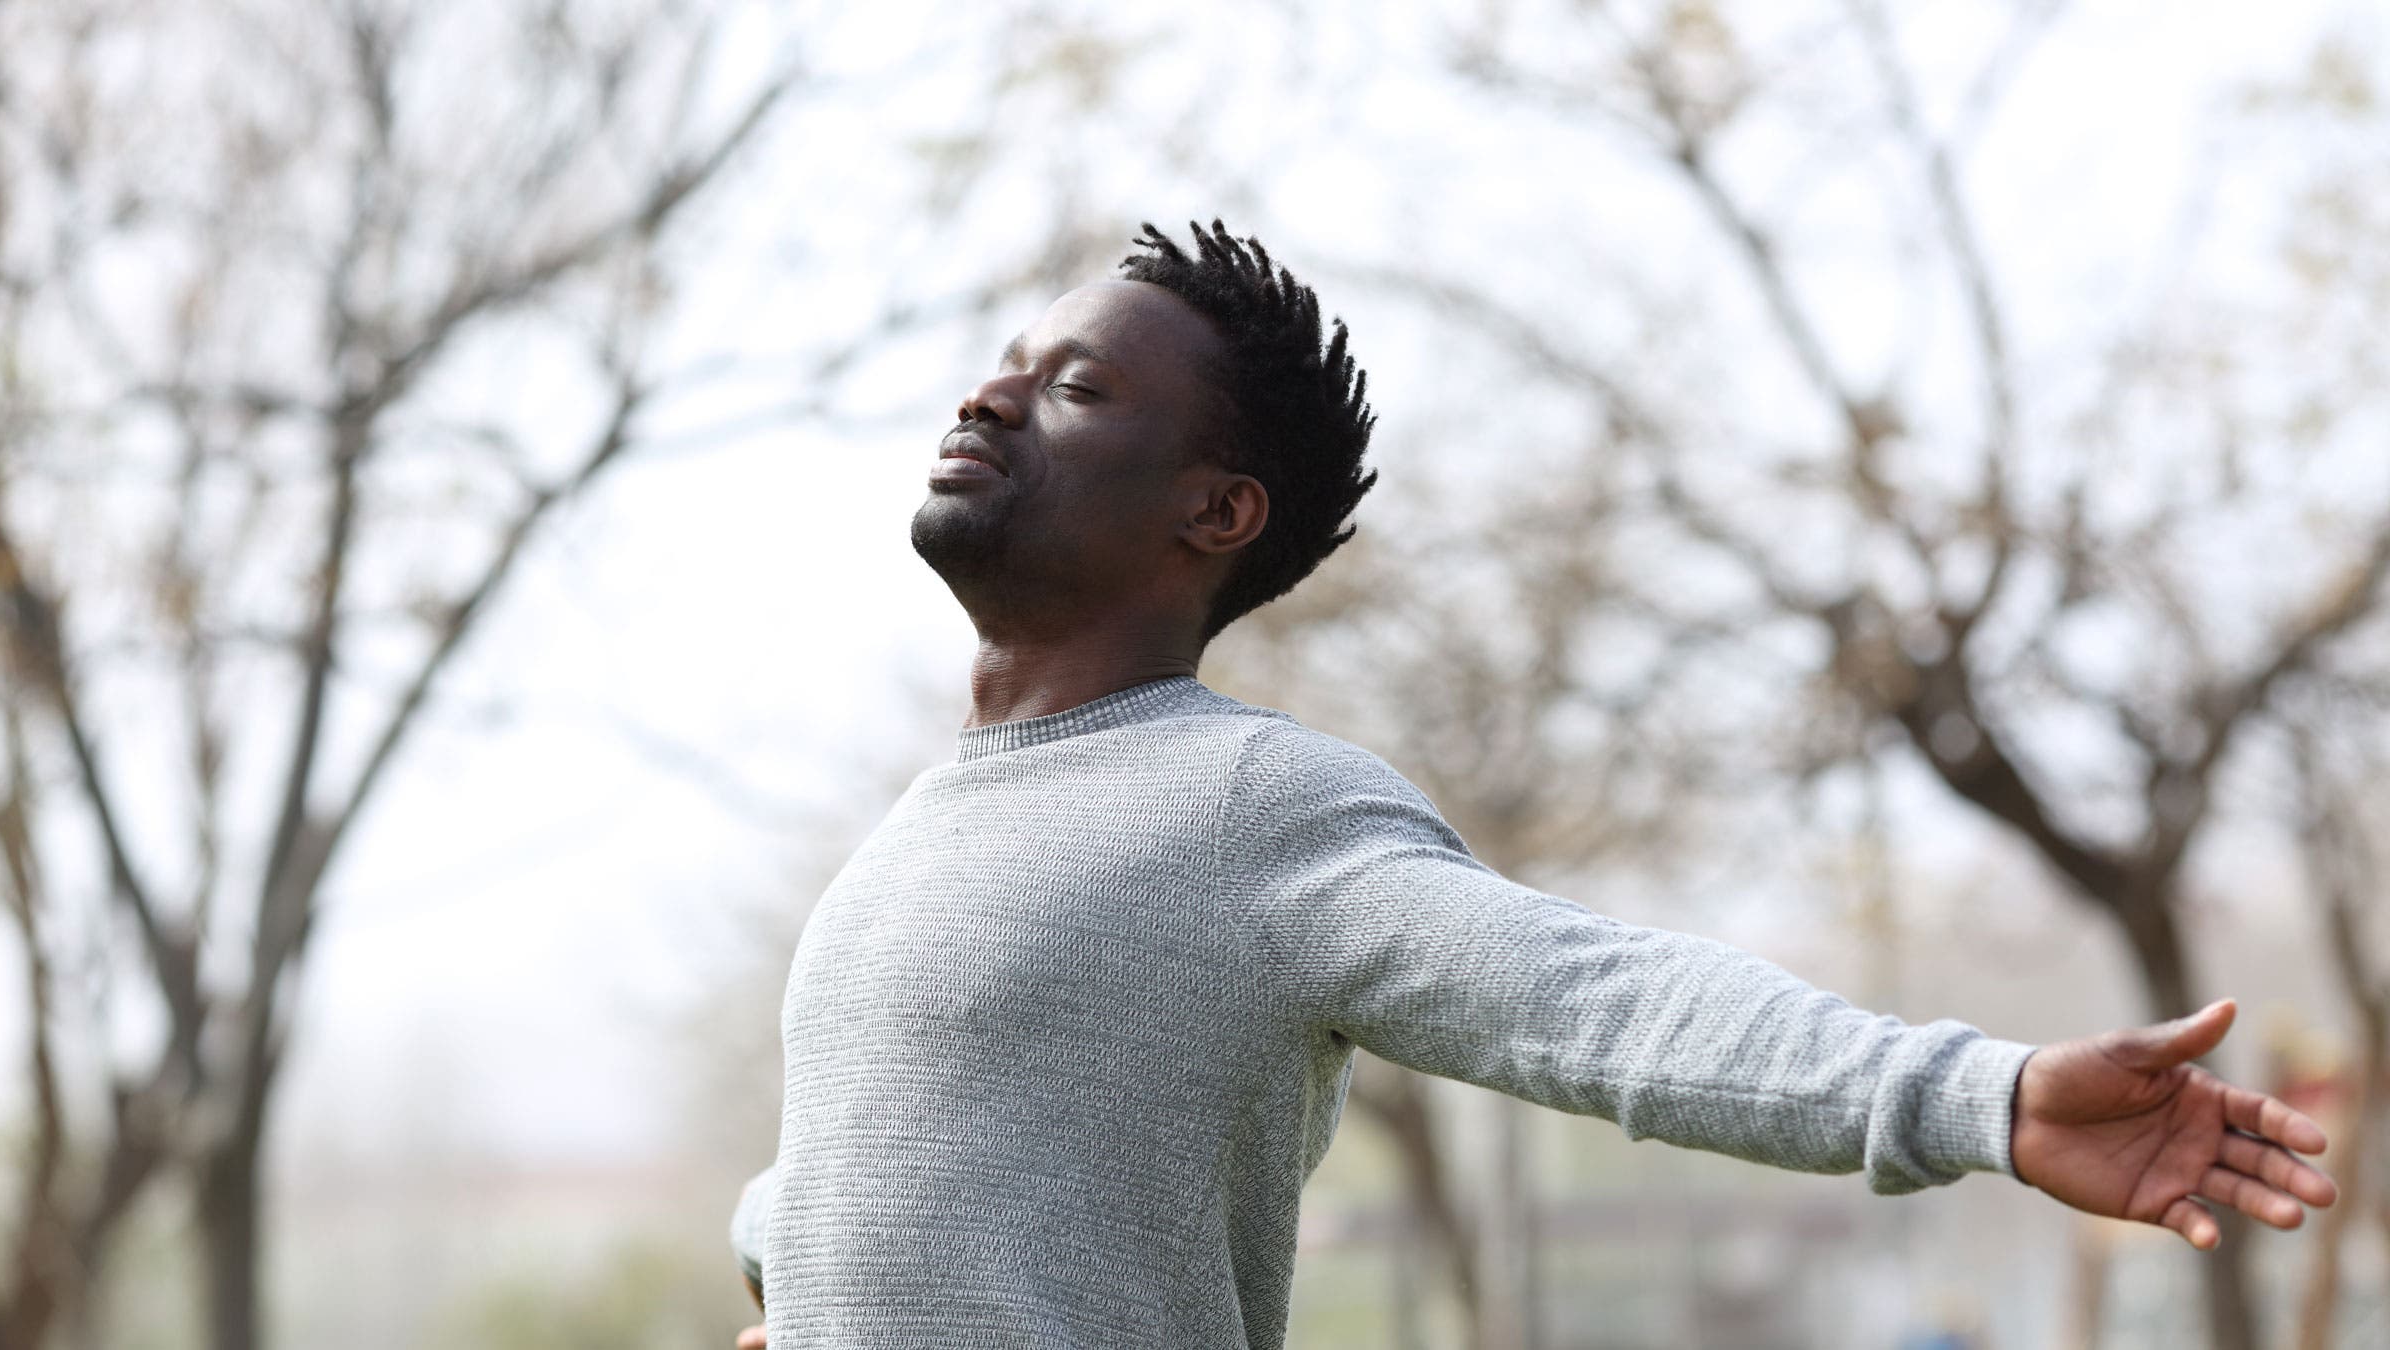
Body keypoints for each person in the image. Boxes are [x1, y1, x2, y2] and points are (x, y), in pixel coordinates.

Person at [728, 221, 2336, 1349]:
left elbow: (1597, 1001)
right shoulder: (911, 838)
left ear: (1216, 513)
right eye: (1007, 366)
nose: (988, 395)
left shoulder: (1245, 807)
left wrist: (1974, 1091)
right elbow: (871, 1182)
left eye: (1075, 387)